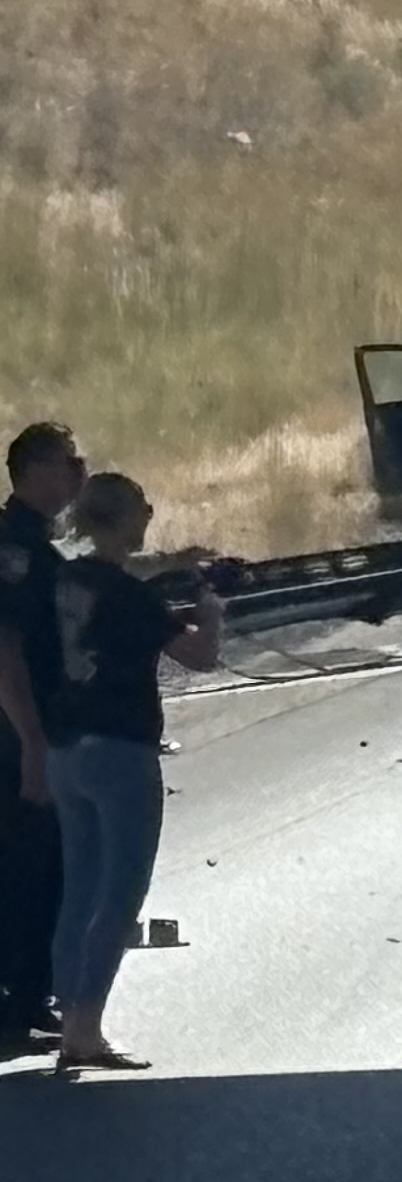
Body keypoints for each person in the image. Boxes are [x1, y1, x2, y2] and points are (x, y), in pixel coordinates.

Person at [40, 470, 219, 1074]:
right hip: (121, 750)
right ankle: (86, 1028)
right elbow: (200, 655)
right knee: (121, 892)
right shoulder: (129, 596)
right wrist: (210, 614)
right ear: (121, 518)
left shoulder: (68, 579)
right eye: (142, 507)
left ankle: (69, 1013)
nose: (149, 516)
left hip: (66, 748)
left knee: (80, 889)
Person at [0, 420, 83, 1049]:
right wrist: (30, 740)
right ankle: (16, 1001)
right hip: (14, 732)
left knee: (46, 862)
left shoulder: (38, 545)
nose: (78, 473)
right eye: (66, 462)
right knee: (25, 866)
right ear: (31, 471)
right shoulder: (16, 552)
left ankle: (31, 996)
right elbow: (6, 650)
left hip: (34, 726)